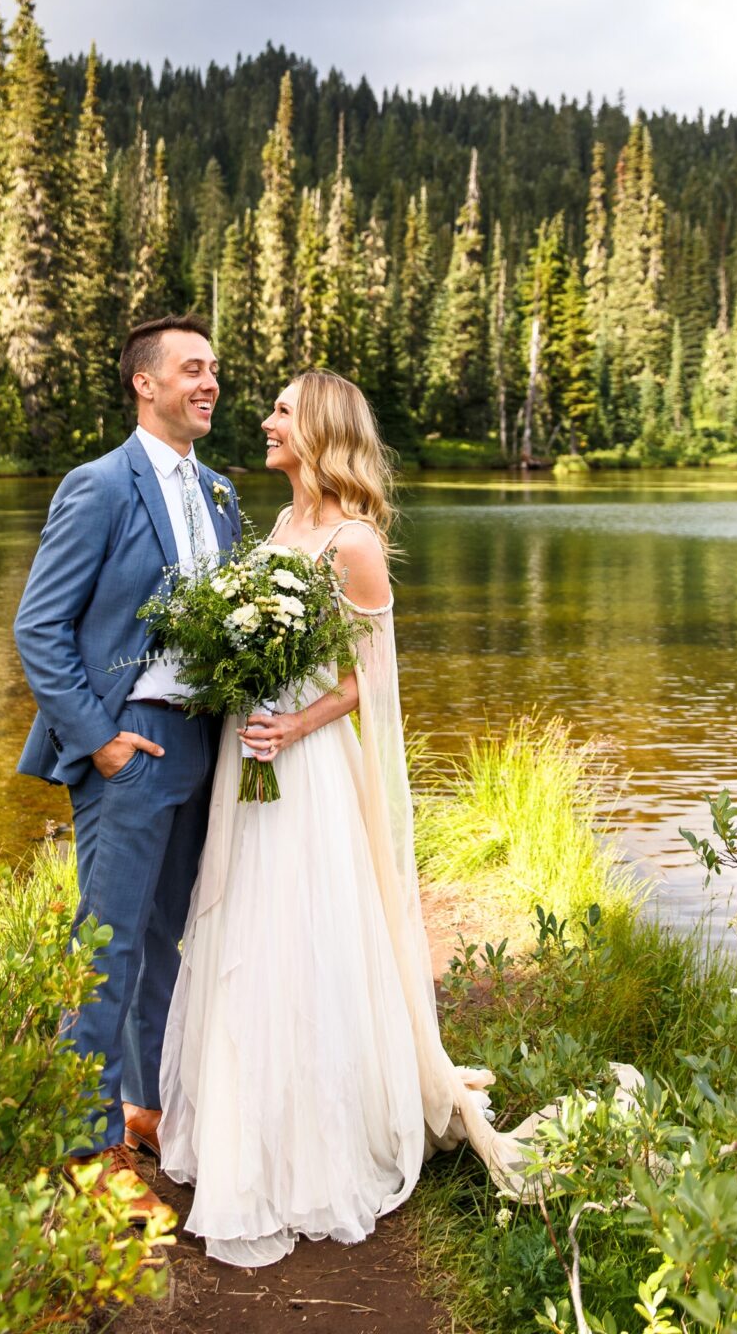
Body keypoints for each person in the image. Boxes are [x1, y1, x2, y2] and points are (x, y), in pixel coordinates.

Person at [158, 369, 526, 1266]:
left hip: (307, 764)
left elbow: (373, 680)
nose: (265, 420)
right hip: (251, 756)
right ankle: (245, 1123)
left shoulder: (354, 541)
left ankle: (318, 1145)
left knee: (303, 936)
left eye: (281, 410)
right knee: (241, 932)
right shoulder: (282, 524)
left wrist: (294, 721)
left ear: (318, 429)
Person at [13, 313, 242, 1220]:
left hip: (204, 741)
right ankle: (83, 1150)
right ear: (145, 383)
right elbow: (40, 625)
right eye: (192, 369)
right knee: (104, 948)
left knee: (168, 941)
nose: (209, 382)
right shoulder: (98, 486)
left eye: (215, 369)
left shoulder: (222, 494)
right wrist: (101, 739)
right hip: (130, 745)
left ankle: (145, 1110)